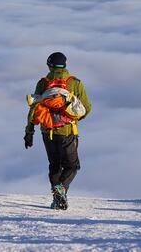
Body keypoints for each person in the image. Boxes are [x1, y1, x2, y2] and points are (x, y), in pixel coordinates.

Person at [24, 52, 91, 210]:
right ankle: (61, 189)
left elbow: (34, 108)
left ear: (49, 65)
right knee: (72, 166)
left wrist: (29, 132)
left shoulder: (43, 83)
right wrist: (73, 117)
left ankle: (58, 199)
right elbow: (86, 108)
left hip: (47, 132)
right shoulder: (75, 83)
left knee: (54, 165)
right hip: (67, 131)